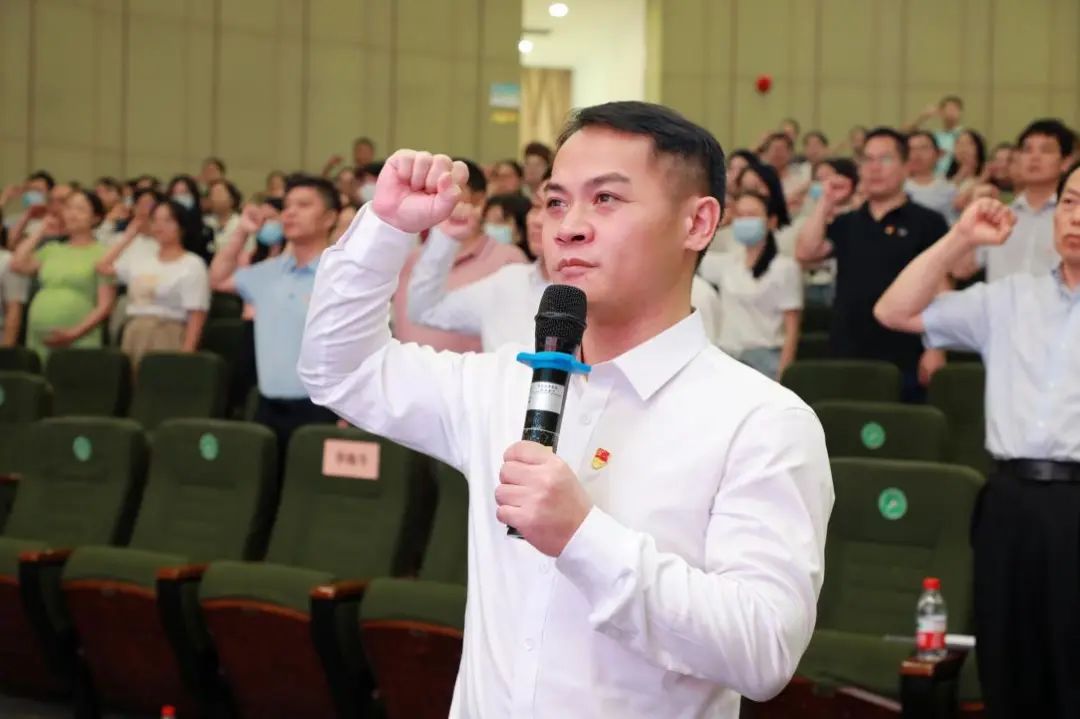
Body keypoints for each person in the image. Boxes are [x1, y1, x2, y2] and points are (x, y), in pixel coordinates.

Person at [299, 100, 833, 719]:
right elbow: (339, 369)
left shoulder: (760, 420)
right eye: (555, 202)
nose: (568, 228)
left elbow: (764, 650)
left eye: (606, 199)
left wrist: (583, 537)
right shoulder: (503, 381)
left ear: (697, 222)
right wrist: (386, 227)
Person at [872, 164, 1080, 718]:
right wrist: (960, 238)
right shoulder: (1010, 298)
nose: (1076, 218)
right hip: (1009, 502)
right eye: (1069, 202)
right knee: (1007, 664)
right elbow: (893, 311)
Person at [795, 127, 949, 401]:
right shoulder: (847, 222)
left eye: (885, 159)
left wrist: (937, 347)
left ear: (906, 166)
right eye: (868, 159)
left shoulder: (928, 222)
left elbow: (941, 287)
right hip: (847, 347)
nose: (874, 168)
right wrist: (826, 201)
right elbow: (806, 252)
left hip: (905, 352)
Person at [210, 174, 340, 460]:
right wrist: (242, 232)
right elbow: (217, 279)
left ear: (329, 218)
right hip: (267, 407)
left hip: (324, 411)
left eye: (303, 205)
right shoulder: (268, 273)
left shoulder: (343, 276)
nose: (290, 213)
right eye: (287, 206)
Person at [391, 159, 527, 353]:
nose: (438, 197)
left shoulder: (508, 260)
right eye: (432, 190)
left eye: (448, 188)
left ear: (479, 199)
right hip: (404, 370)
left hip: (474, 371)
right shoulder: (412, 258)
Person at [953, 119, 1073, 283]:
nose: (1034, 157)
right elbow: (959, 270)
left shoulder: (1072, 219)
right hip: (997, 299)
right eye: (1027, 150)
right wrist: (971, 214)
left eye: (1045, 150)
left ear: (1065, 162)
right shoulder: (999, 215)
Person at [97, 199, 210, 366]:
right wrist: (129, 235)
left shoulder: (192, 264)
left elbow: (196, 315)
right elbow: (102, 267)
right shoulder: (142, 260)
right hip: (134, 331)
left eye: (167, 220)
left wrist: (187, 354)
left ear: (181, 226)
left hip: (167, 332)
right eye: (155, 220)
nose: (159, 226)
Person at [702, 191, 802, 378]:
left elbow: (792, 329)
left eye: (752, 215)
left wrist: (783, 374)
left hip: (765, 359)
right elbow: (685, 252)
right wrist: (721, 222)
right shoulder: (727, 263)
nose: (744, 221)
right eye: (740, 215)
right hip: (727, 356)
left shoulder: (784, 267)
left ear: (771, 221)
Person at [10, 190, 115, 360]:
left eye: (80, 209)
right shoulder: (53, 249)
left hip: (80, 336)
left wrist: (74, 333)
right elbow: (17, 264)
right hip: (39, 335)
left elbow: (105, 305)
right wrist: (41, 229)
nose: (72, 214)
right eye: (69, 208)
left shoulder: (104, 253)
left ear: (96, 218)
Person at [905, 95, 964, 175]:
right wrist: (922, 118)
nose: (951, 113)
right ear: (941, 112)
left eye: (954, 109)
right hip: (934, 176)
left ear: (960, 112)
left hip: (956, 176)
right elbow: (905, 134)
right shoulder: (935, 136)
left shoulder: (964, 135)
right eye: (948, 109)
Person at [904, 131, 956, 222]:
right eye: (911, 149)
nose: (917, 154)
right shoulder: (895, 188)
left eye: (923, 148)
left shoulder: (949, 189)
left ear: (938, 154)